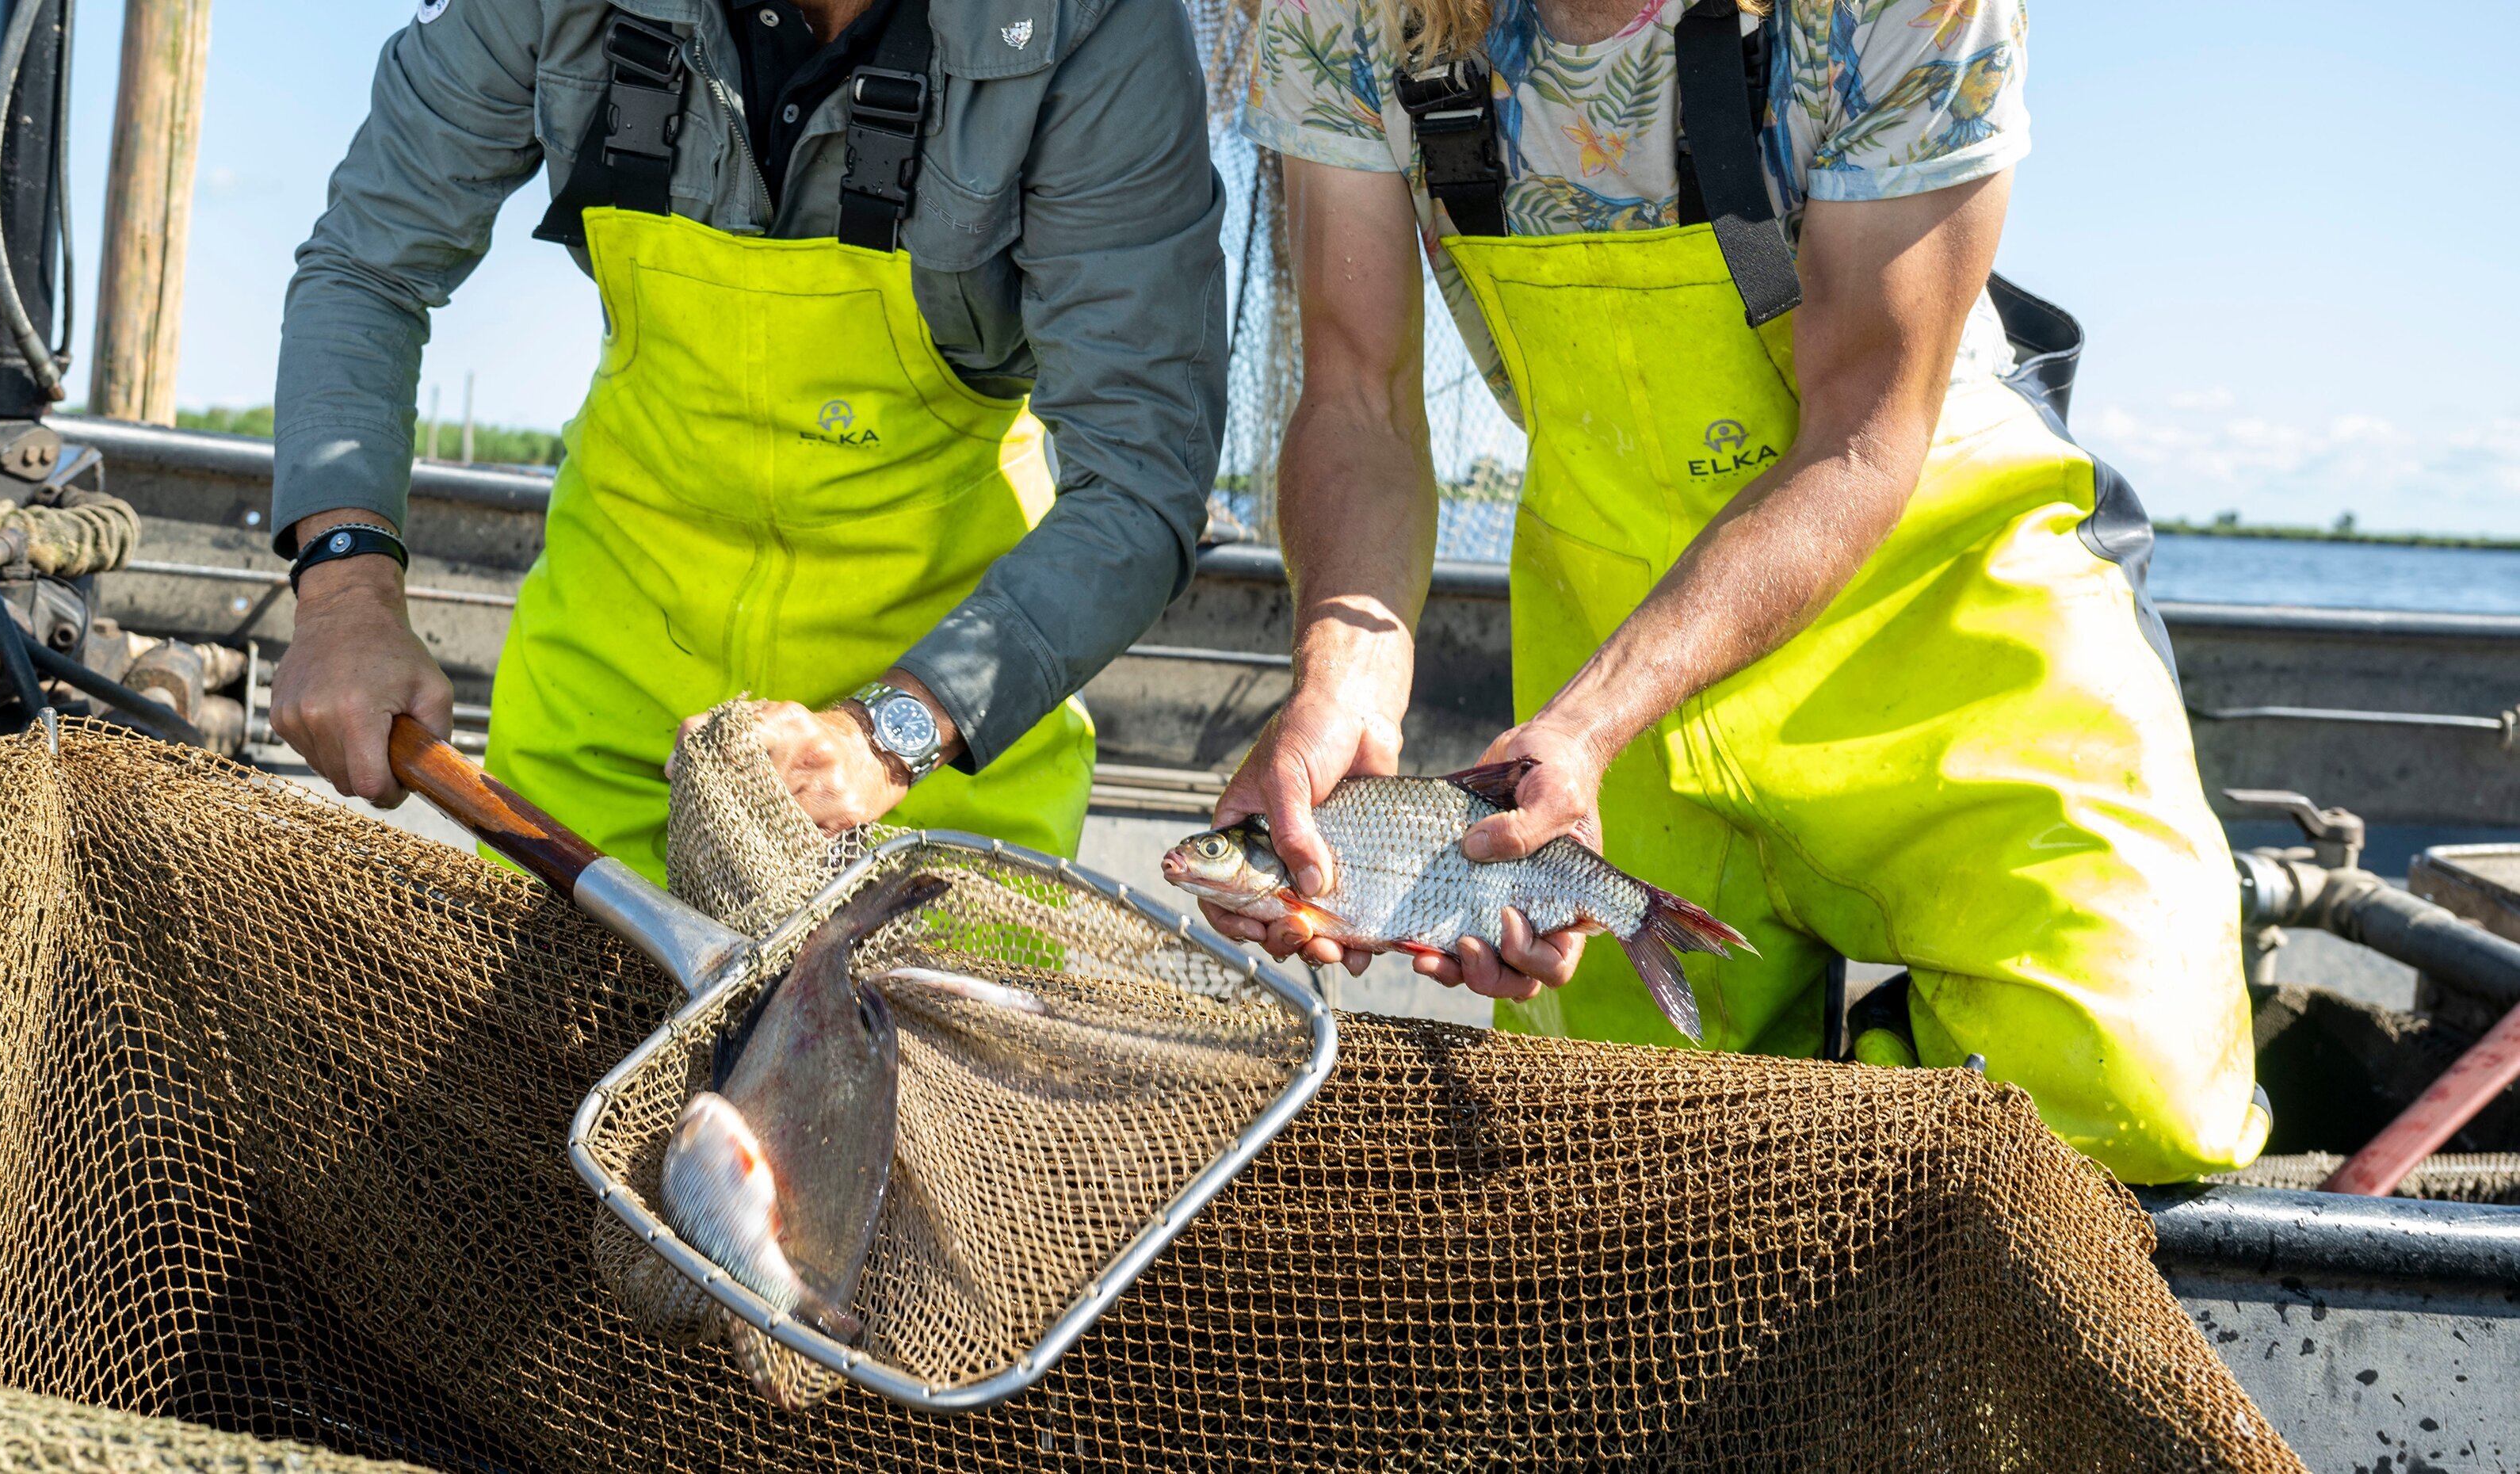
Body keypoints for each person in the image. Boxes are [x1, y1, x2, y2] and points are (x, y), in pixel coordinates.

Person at [1205, 0, 2267, 1182]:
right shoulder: (1338, 12)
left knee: (2130, 1106)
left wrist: (1588, 720)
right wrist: (1346, 682)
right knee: (1600, 1164)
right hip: (1605, 621)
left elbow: (1862, 438)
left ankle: (1861, 1111)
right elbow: (1354, 398)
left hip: (1936, 602)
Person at [267, 0, 1227, 881]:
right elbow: (367, 268)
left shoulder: (1102, 23)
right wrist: (345, 591)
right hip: (594, 759)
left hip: (944, 779)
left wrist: (892, 732)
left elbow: (1141, 475)